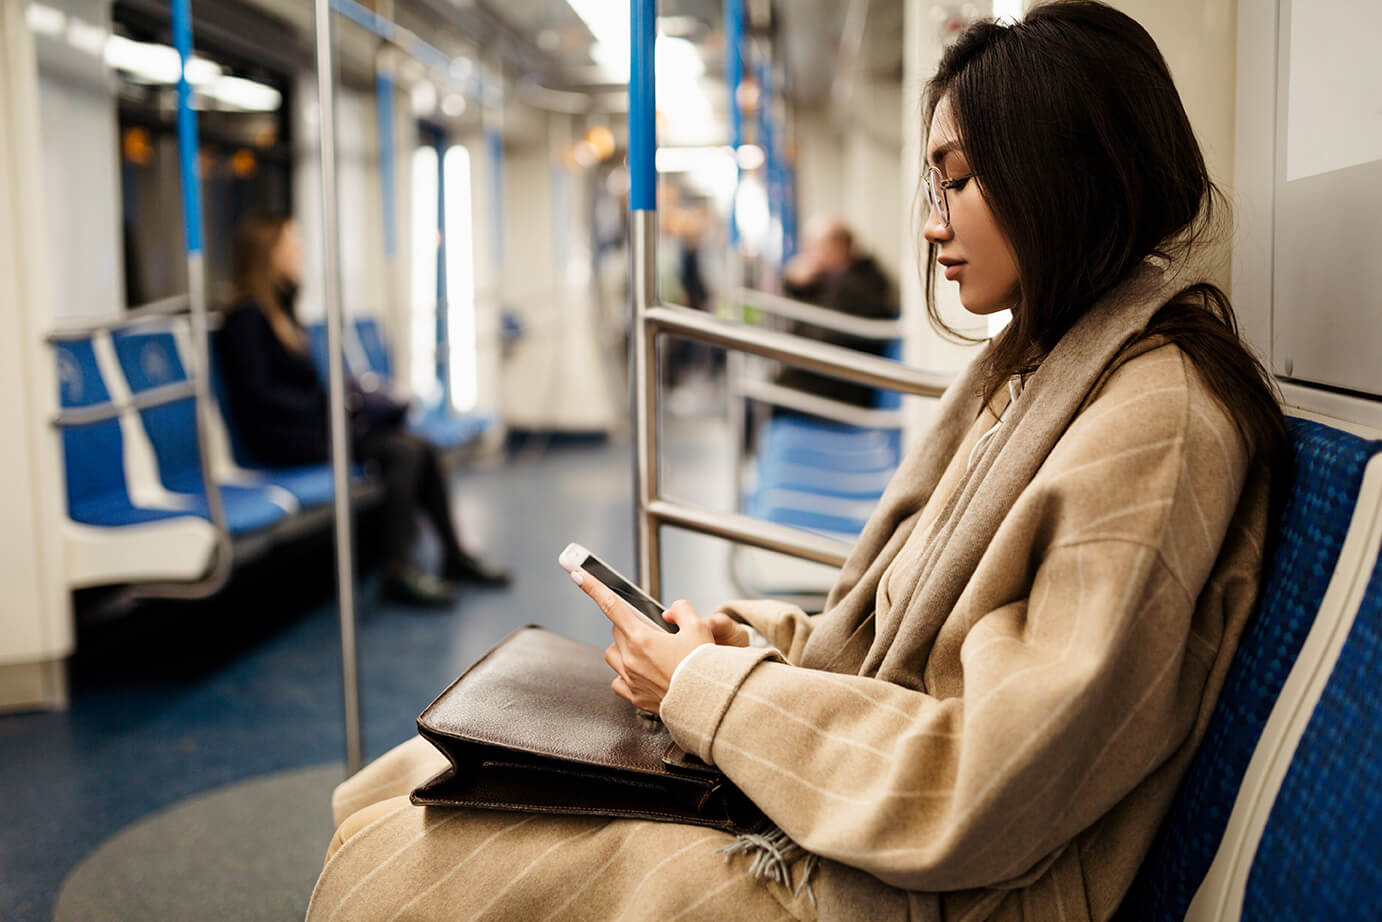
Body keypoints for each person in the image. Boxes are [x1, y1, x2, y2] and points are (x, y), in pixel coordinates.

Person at [306, 3, 1289, 919]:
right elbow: (906, 630)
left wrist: (706, 689)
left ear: (1059, 174)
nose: (931, 222)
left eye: (959, 179)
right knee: (404, 781)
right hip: (887, 818)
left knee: (411, 854)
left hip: (948, 888)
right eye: (931, 183)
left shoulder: (1153, 422)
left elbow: (988, 781)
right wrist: (736, 641)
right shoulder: (1045, 374)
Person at [218, 215, 509, 606]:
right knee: (402, 451)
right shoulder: (246, 319)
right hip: (283, 440)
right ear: (268, 254)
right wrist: (337, 407)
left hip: (310, 429)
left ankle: (453, 554)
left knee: (420, 445)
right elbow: (259, 397)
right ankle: (399, 570)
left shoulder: (281, 312)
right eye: (292, 243)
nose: (300, 251)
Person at [776, 215, 900, 408]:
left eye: (813, 247)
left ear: (837, 247)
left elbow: (823, 334)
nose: (807, 255)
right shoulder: (842, 277)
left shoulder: (858, 287)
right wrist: (795, 285)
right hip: (834, 375)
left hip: (844, 386)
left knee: (771, 392)